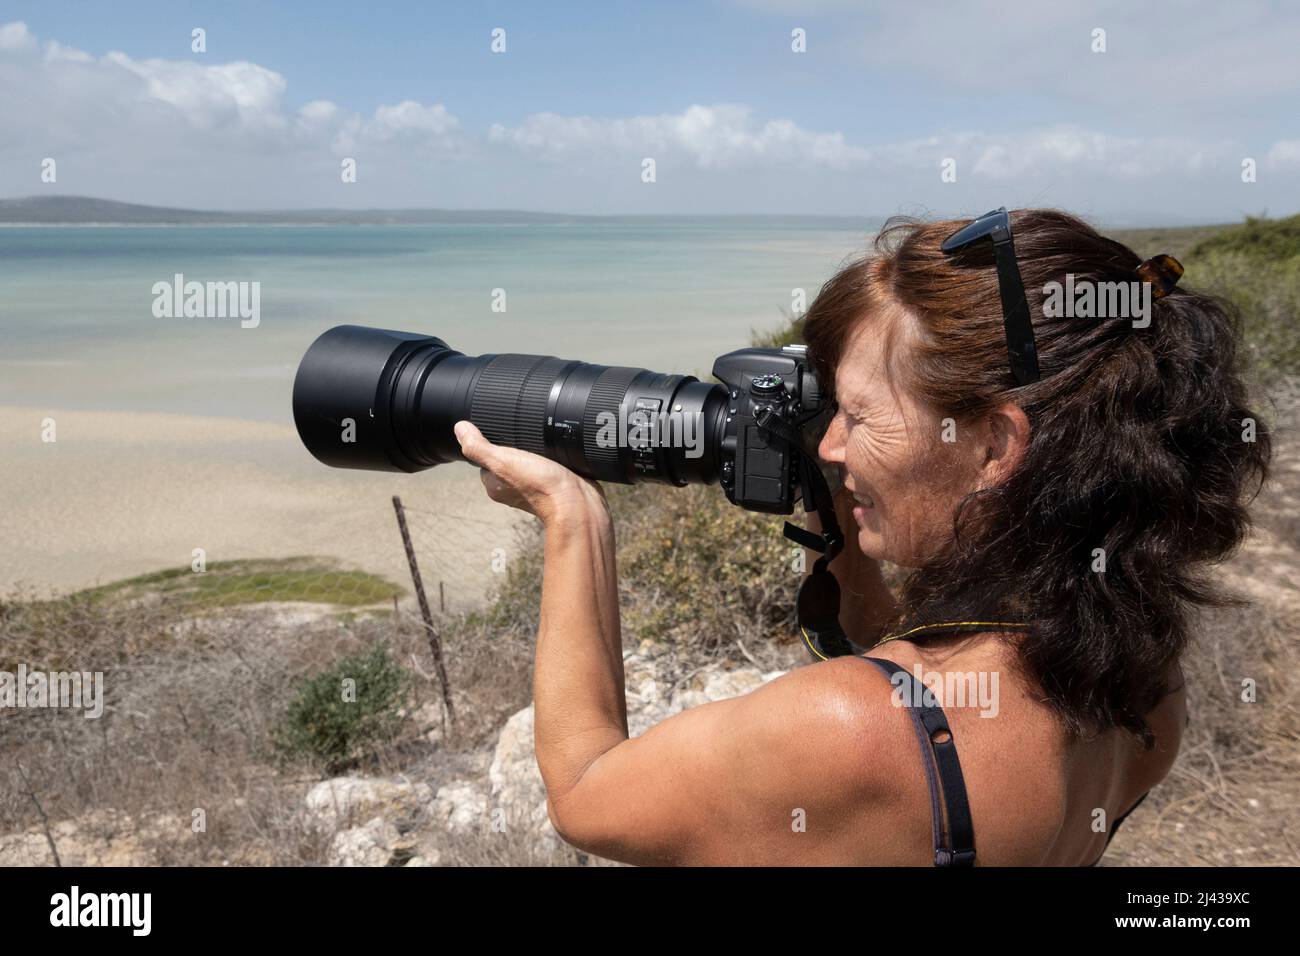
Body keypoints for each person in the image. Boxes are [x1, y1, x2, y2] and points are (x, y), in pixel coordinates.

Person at [452, 208, 1271, 866]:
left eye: (858, 417)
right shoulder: (1137, 675)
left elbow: (589, 795)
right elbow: (928, 674)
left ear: (991, 447)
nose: (832, 446)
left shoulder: (849, 731)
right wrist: (838, 508)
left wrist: (573, 519)